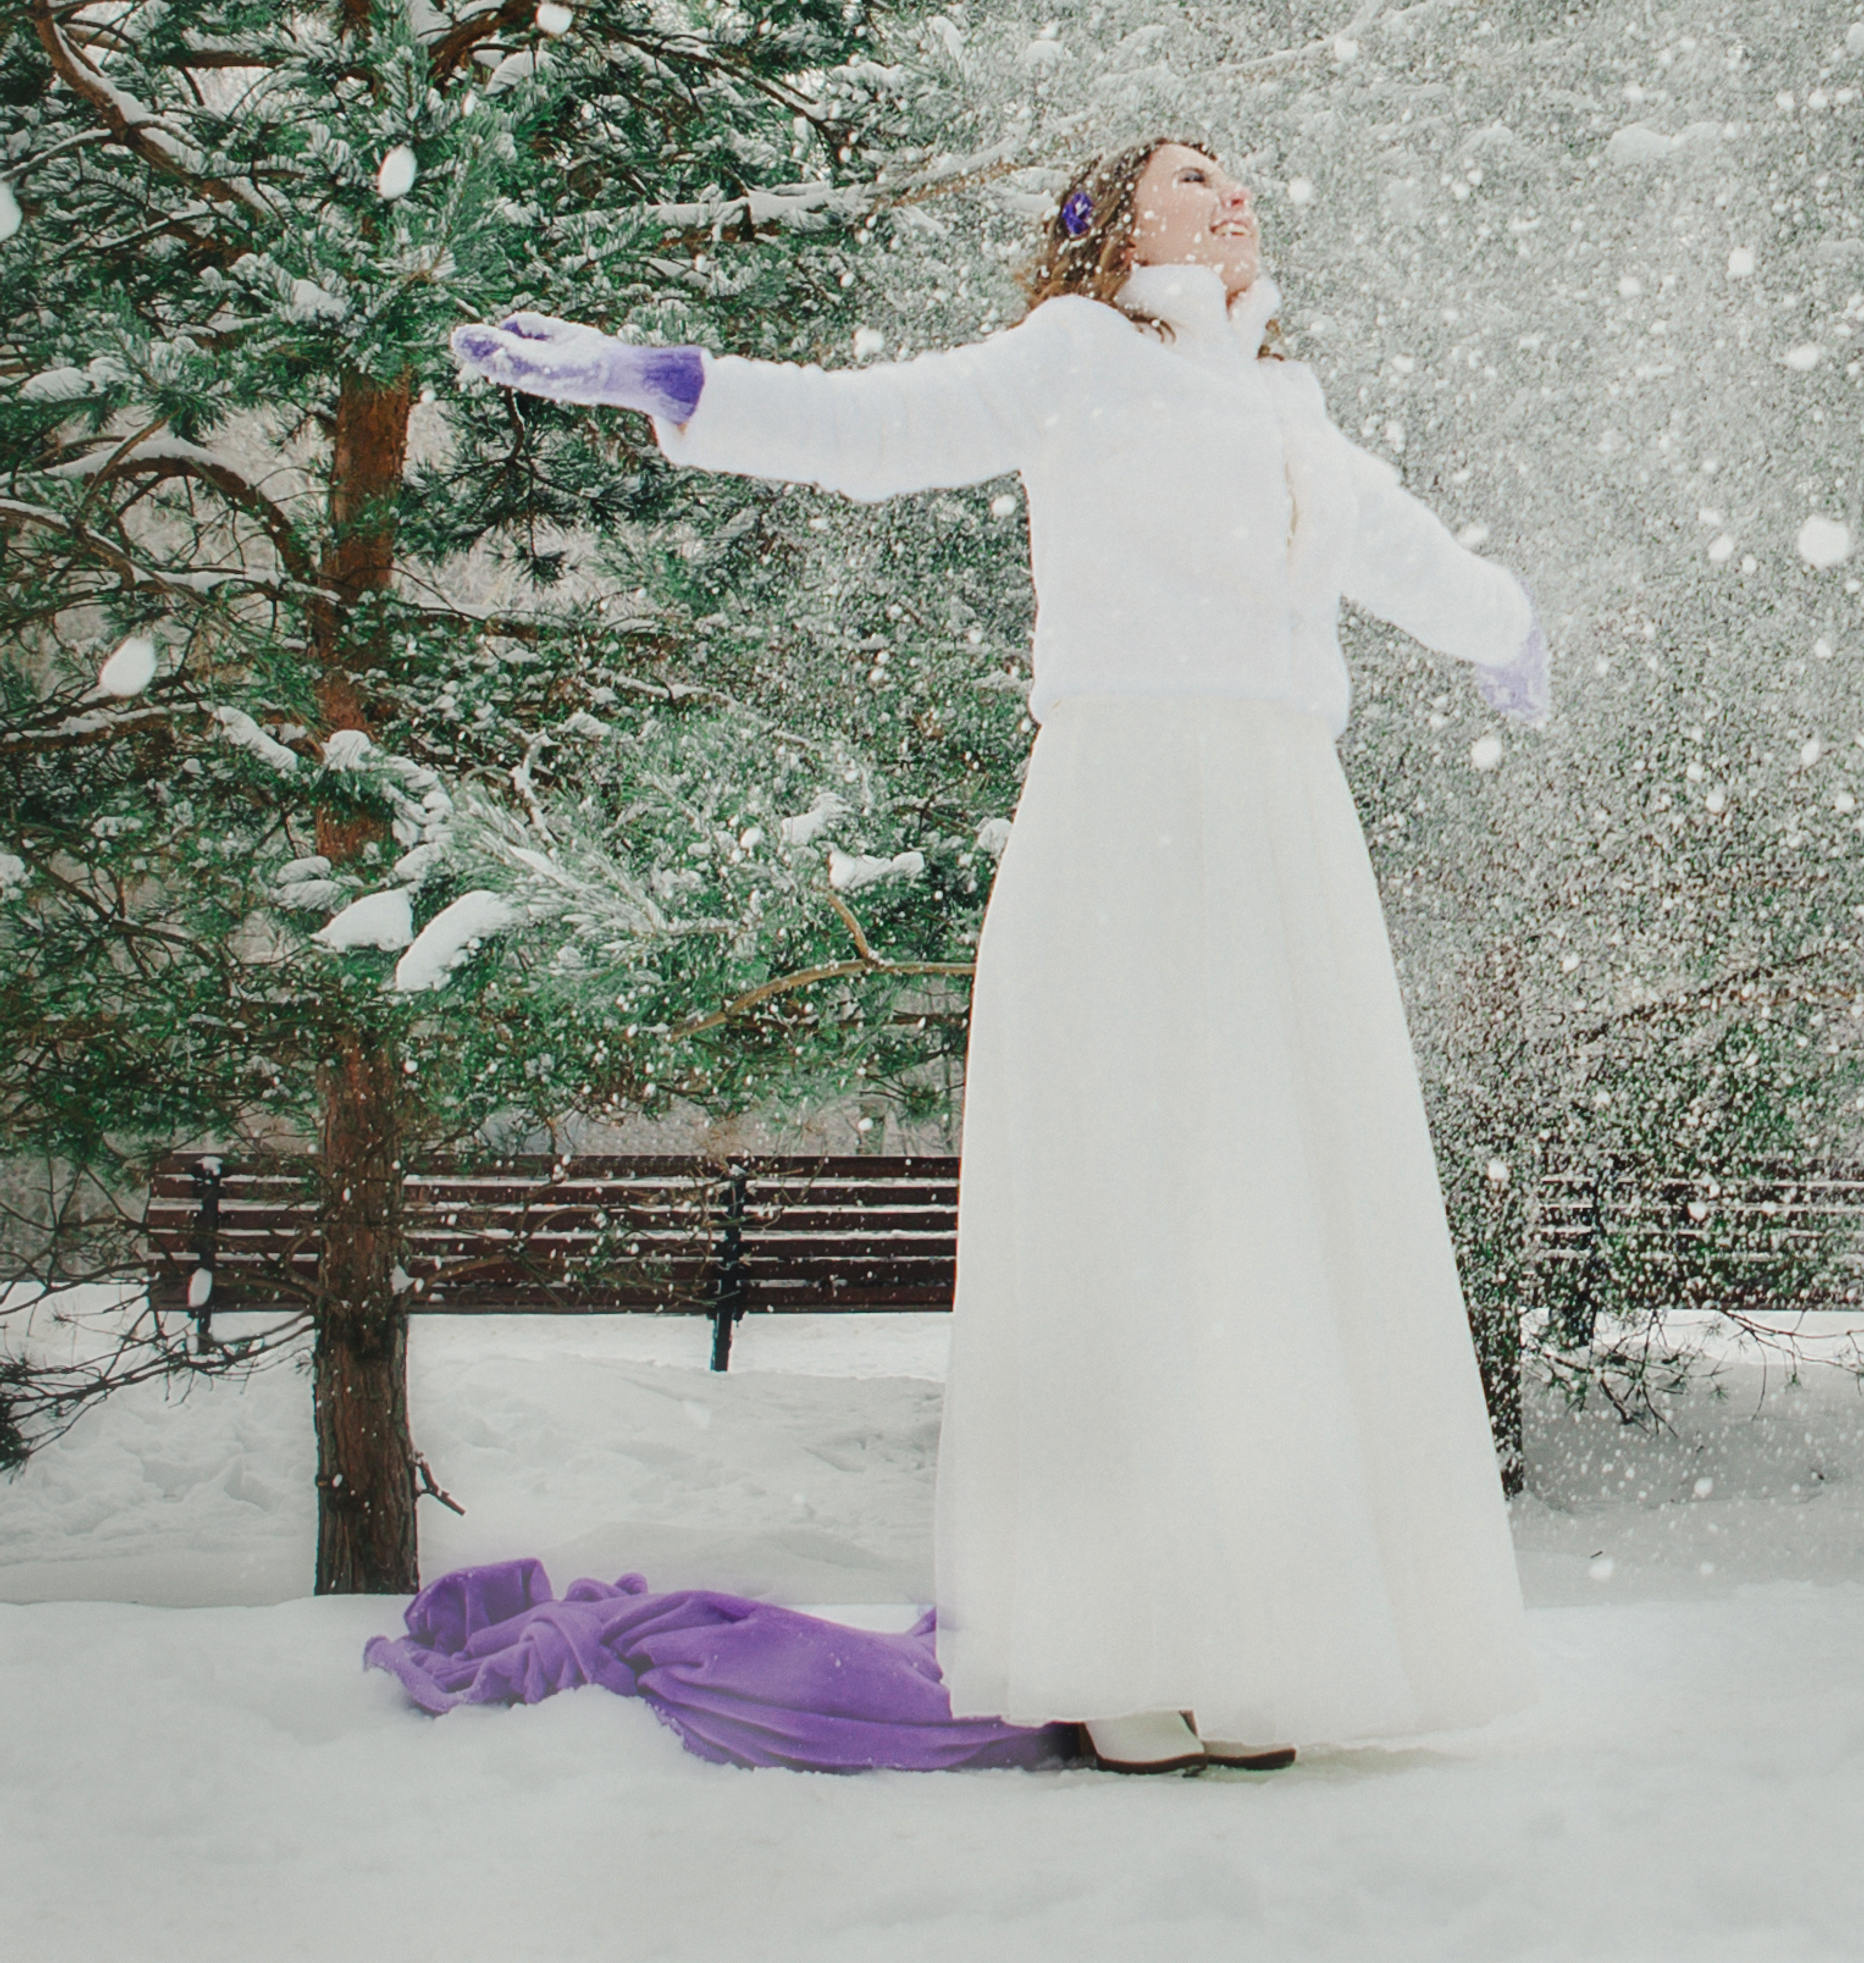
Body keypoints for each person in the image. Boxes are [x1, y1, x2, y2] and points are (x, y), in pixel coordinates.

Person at [451, 137, 1549, 1775]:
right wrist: (679, 383)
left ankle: (1253, 1642)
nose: (1232, 192)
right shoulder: (1075, 355)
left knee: (1262, 1217)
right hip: (1128, 813)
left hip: (1281, 831)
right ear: (1113, 226)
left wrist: (1504, 623)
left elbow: (1399, 552)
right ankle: (1116, 1645)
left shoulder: (1287, 405)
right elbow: (880, 428)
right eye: (1190, 175)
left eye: (1238, 176)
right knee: (1129, 1219)